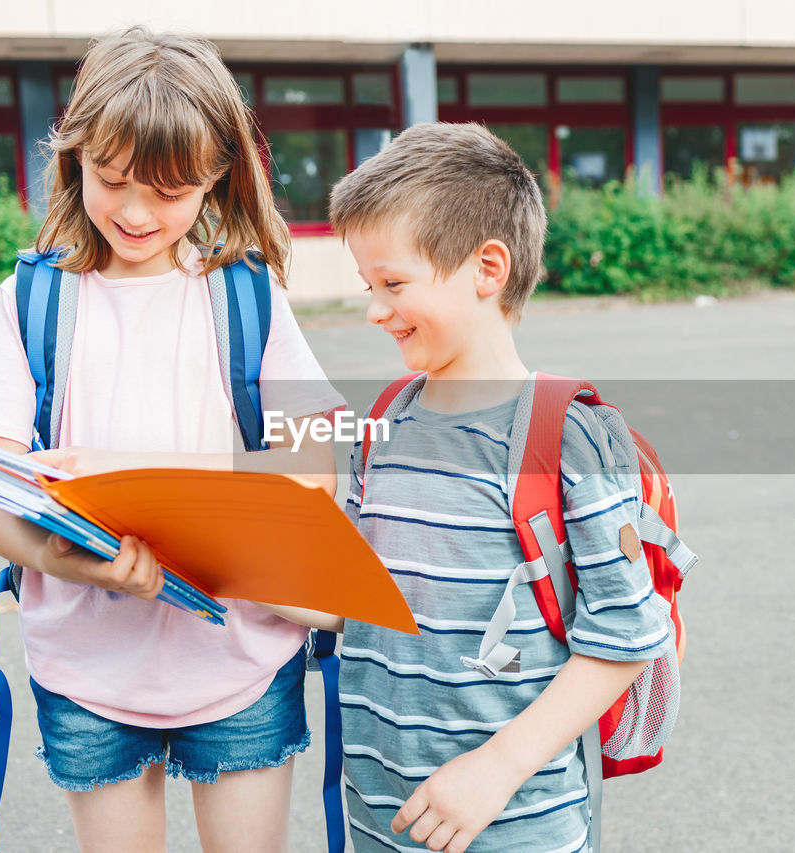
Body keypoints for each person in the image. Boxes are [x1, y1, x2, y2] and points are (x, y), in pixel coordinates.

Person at [0, 27, 344, 852]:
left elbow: (316, 462)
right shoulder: (30, 302)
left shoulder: (248, 296)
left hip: (241, 659)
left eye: (168, 190)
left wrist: (149, 478)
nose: (134, 212)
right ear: (75, 157)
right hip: (86, 668)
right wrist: (70, 561)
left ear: (217, 178)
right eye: (112, 179)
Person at [263, 123, 680, 852]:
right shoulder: (386, 420)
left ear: (488, 268)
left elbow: (626, 635)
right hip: (383, 811)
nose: (374, 309)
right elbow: (364, 595)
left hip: (515, 821)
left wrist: (496, 768)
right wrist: (229, 560)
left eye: (394, 284)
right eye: (370, 287)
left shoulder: (566, 437)